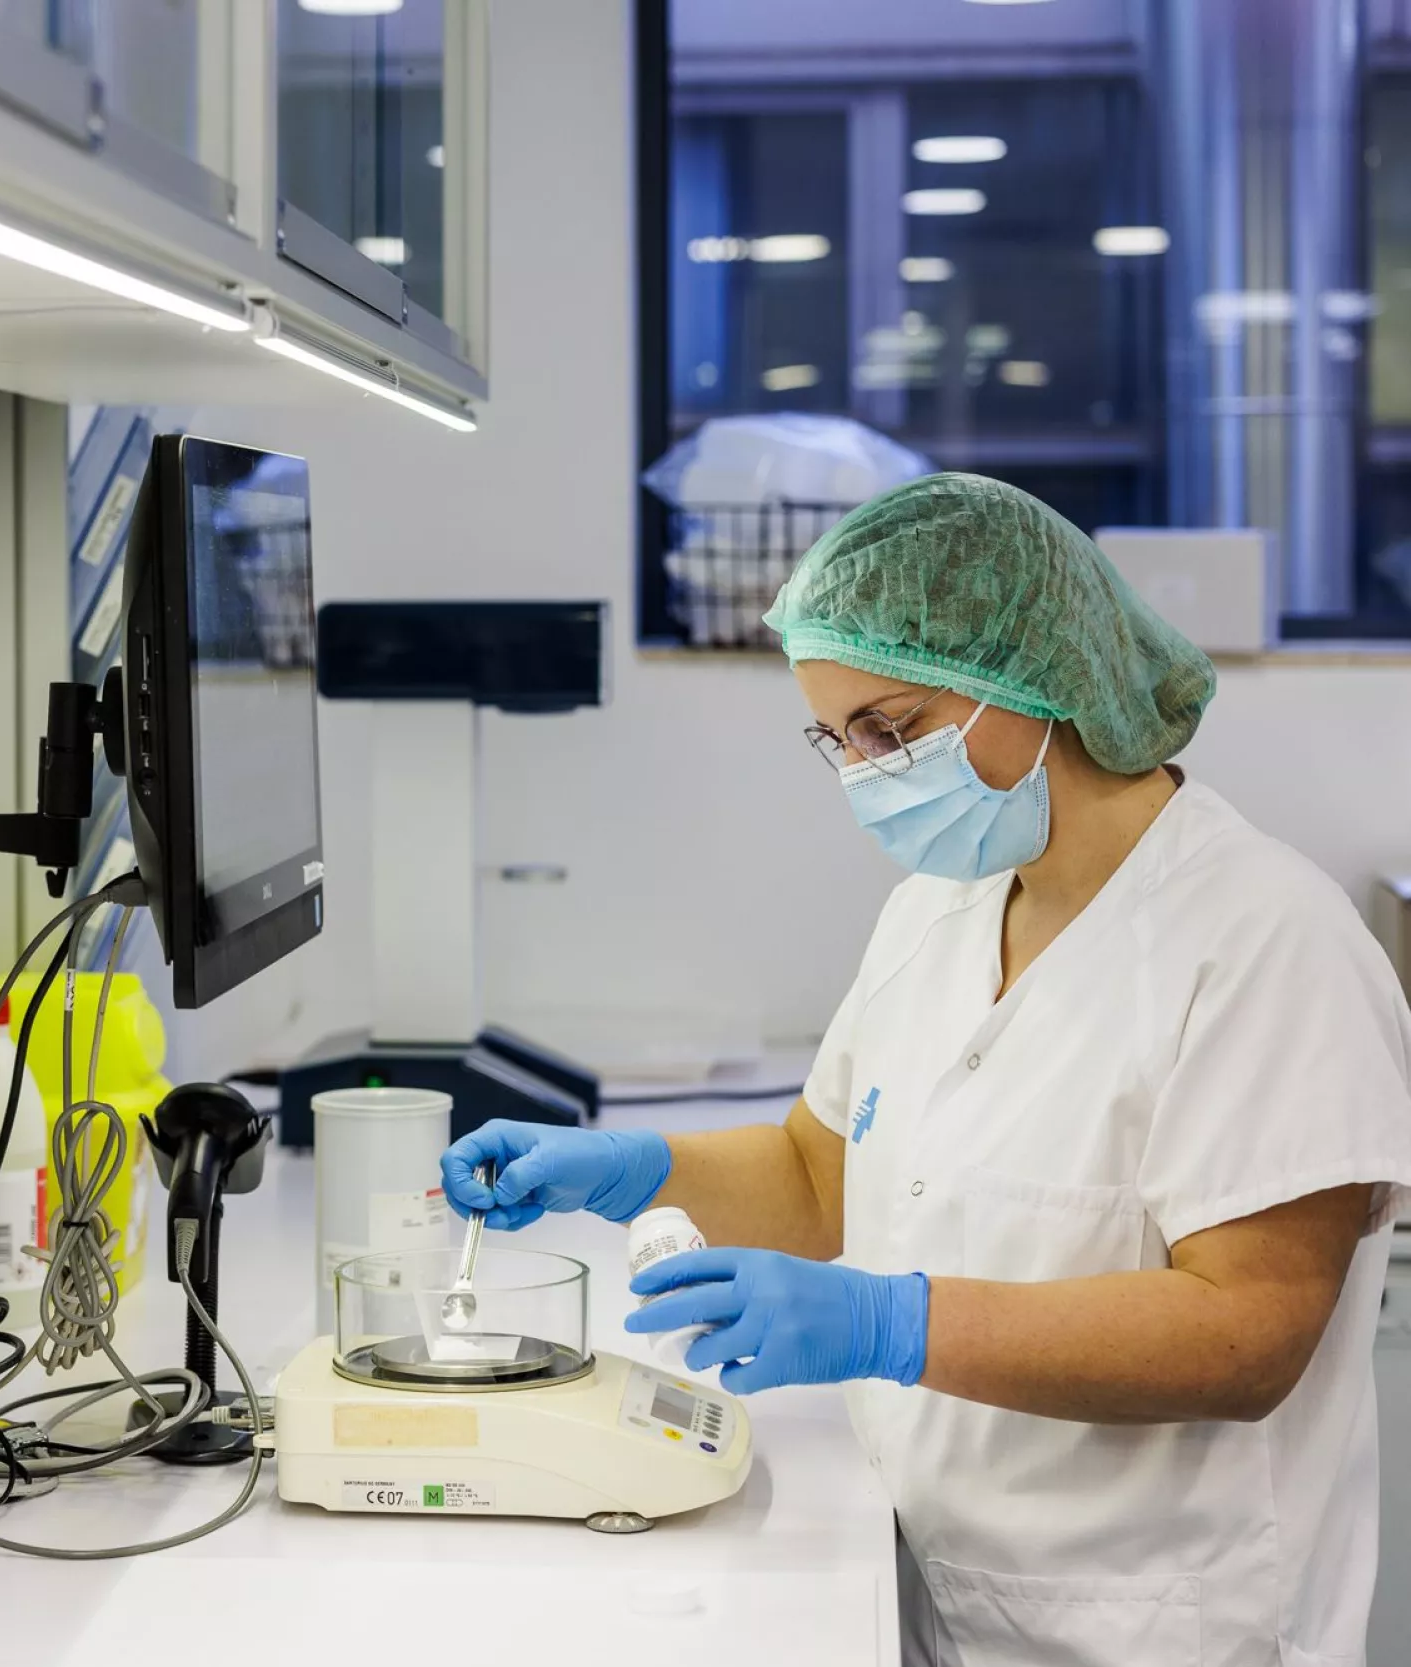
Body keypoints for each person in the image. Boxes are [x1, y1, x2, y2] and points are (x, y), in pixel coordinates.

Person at [443, 474, 1411, 1667]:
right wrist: (628, 1169)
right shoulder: (937, 910)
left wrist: (889, 1321)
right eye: (835, 738)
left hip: (1164, 1627)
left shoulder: (1268, 942)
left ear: (1036, 677)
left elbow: (1246, 1331)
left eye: (890, 730)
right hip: (937, 1593)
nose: (862, 773)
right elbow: (819, 1170)